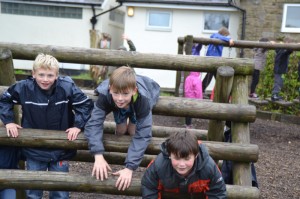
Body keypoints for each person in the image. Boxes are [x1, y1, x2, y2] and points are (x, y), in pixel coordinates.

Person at [0, 53, 93, 199]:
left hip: (61, 148)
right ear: (33, 74)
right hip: (34, 149)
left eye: (50, 75)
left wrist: (78, 125)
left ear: (57, 75)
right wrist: (9, 121)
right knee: (33, 191)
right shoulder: (24, 88)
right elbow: (4, 100)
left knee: (60, 191)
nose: (45, 79)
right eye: (41, 74)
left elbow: (86, 105)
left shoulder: (66, 87)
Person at [84, 66, 160, 191]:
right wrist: (97, 154)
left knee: (133, 132)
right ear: (110, 89)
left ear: (134, 90)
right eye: (116, 93)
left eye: (125, 93)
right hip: (119, 107)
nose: (120, 98)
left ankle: (132, 116)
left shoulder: (143, 100)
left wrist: (130, 168)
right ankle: (123, 114)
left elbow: (143, 134)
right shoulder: (106, 95)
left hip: (136, 106)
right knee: (120, 131)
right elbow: (94, 124)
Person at [141, 131, 226, 198]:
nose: (182, 164)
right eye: (177, 158)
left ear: (196, 156)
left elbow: (217, 193)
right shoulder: (159, 166)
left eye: (187, 159)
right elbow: (149, 188)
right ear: (170, 155)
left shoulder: (208, 167)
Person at [202, 27, 234, 94]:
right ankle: (222, 91)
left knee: (215, 75)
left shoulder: (221, 38)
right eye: (226, 35)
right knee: (212, 75)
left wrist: (228, 39)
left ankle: (221, 90)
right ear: (223, 34)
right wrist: (228, 39)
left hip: (216, 59)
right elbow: (216, 36)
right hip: (212, 58)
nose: (227, 37)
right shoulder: (215, 36)